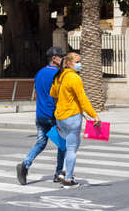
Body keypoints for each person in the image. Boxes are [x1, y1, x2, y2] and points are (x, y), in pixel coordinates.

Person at [50, 52, 101, 188]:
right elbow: (82, 99)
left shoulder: (59, 76)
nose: (80, 64)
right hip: (72, 117)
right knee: (72, 148)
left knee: (68, 146)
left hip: (60, 117)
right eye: (77, 62)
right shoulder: (74, 78)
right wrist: (94, 115)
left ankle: (64, 171)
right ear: (69, 63)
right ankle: (68, 180)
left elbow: (53, 94)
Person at [16, 47, 66, 185]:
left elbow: (37, 94)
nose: (63, 59)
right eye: (61, 56)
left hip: (40, 115)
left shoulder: (39, 73)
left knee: (41, 142)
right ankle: (58, 173)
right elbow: (59, 96)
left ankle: (25, 164)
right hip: (53, 115)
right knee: (63, 145)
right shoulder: (58, 74)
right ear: (54, 58)